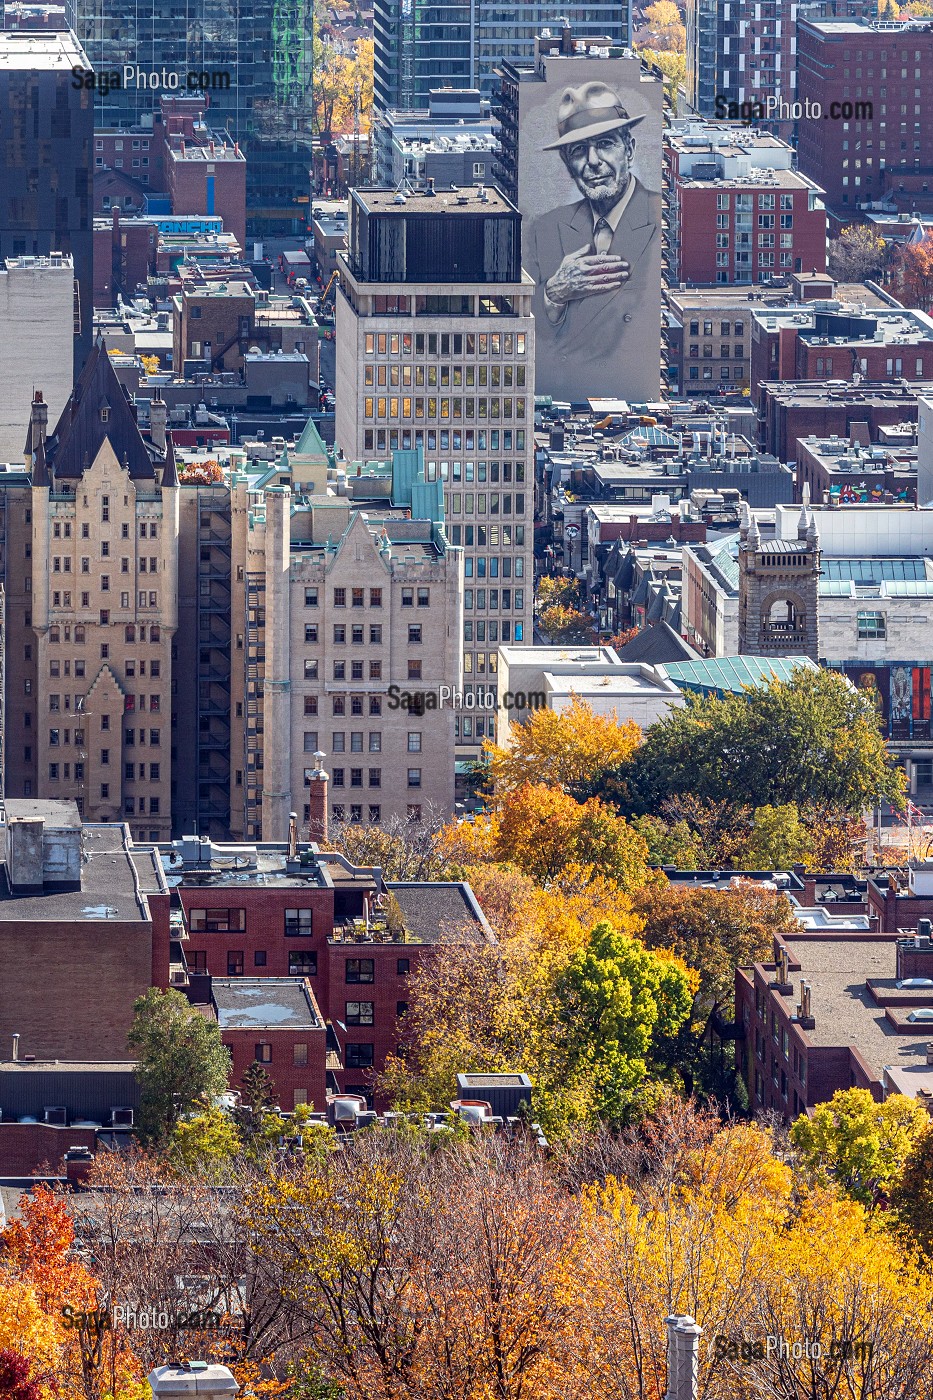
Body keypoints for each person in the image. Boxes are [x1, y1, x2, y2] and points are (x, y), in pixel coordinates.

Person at [525, 80, 662, 397]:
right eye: (578, 151)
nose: (593, 161)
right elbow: (531, 335)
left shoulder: (659, 218)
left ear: (629, 149)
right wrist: (553, 295)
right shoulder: (547, 228)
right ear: (567, 164)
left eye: (605, 144)